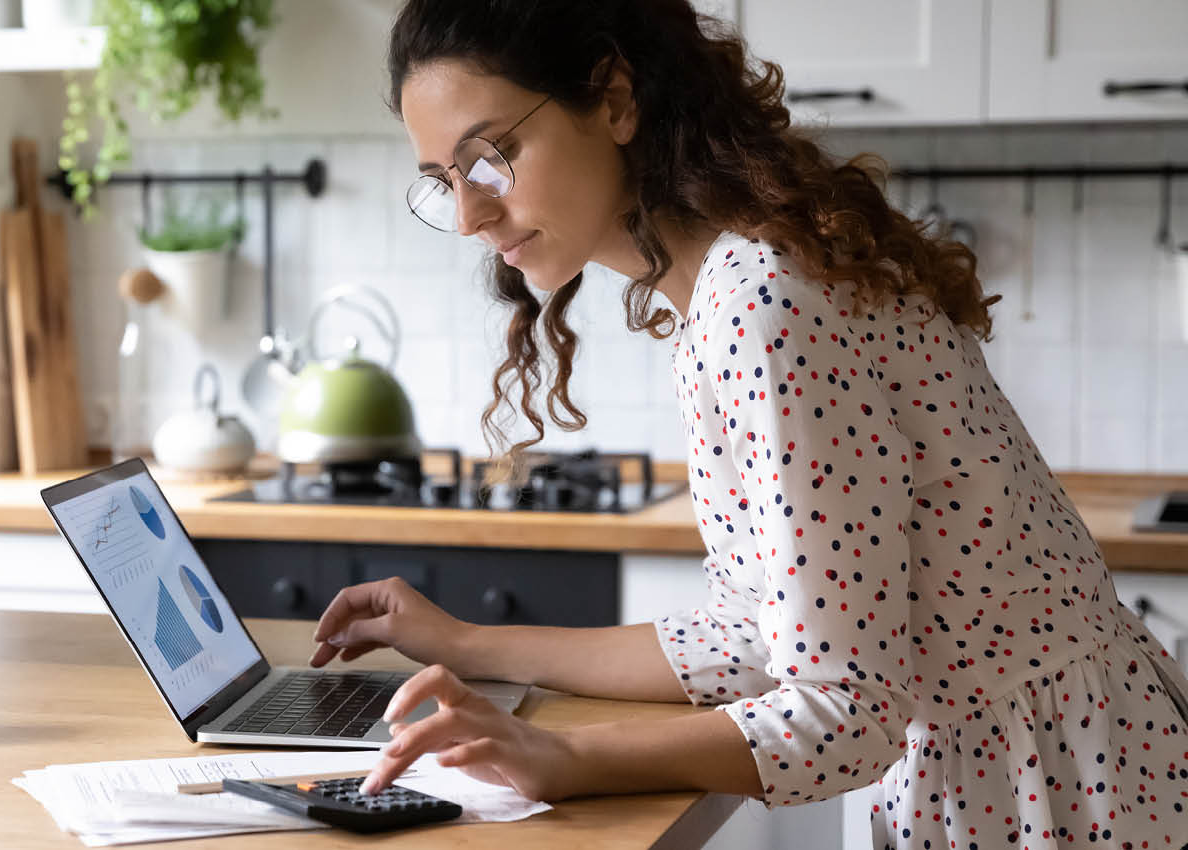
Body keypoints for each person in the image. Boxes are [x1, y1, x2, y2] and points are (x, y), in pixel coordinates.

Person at [307, 1, 1188, 847]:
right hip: (1036, 768)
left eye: (491, 157)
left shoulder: (763, 304)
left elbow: (845, 710)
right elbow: (754, 635)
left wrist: (565, 756)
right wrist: (467, 645)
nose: (468, 215)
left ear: (614, 100)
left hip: (1064, 791)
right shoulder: (727, 290)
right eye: (444, 182)